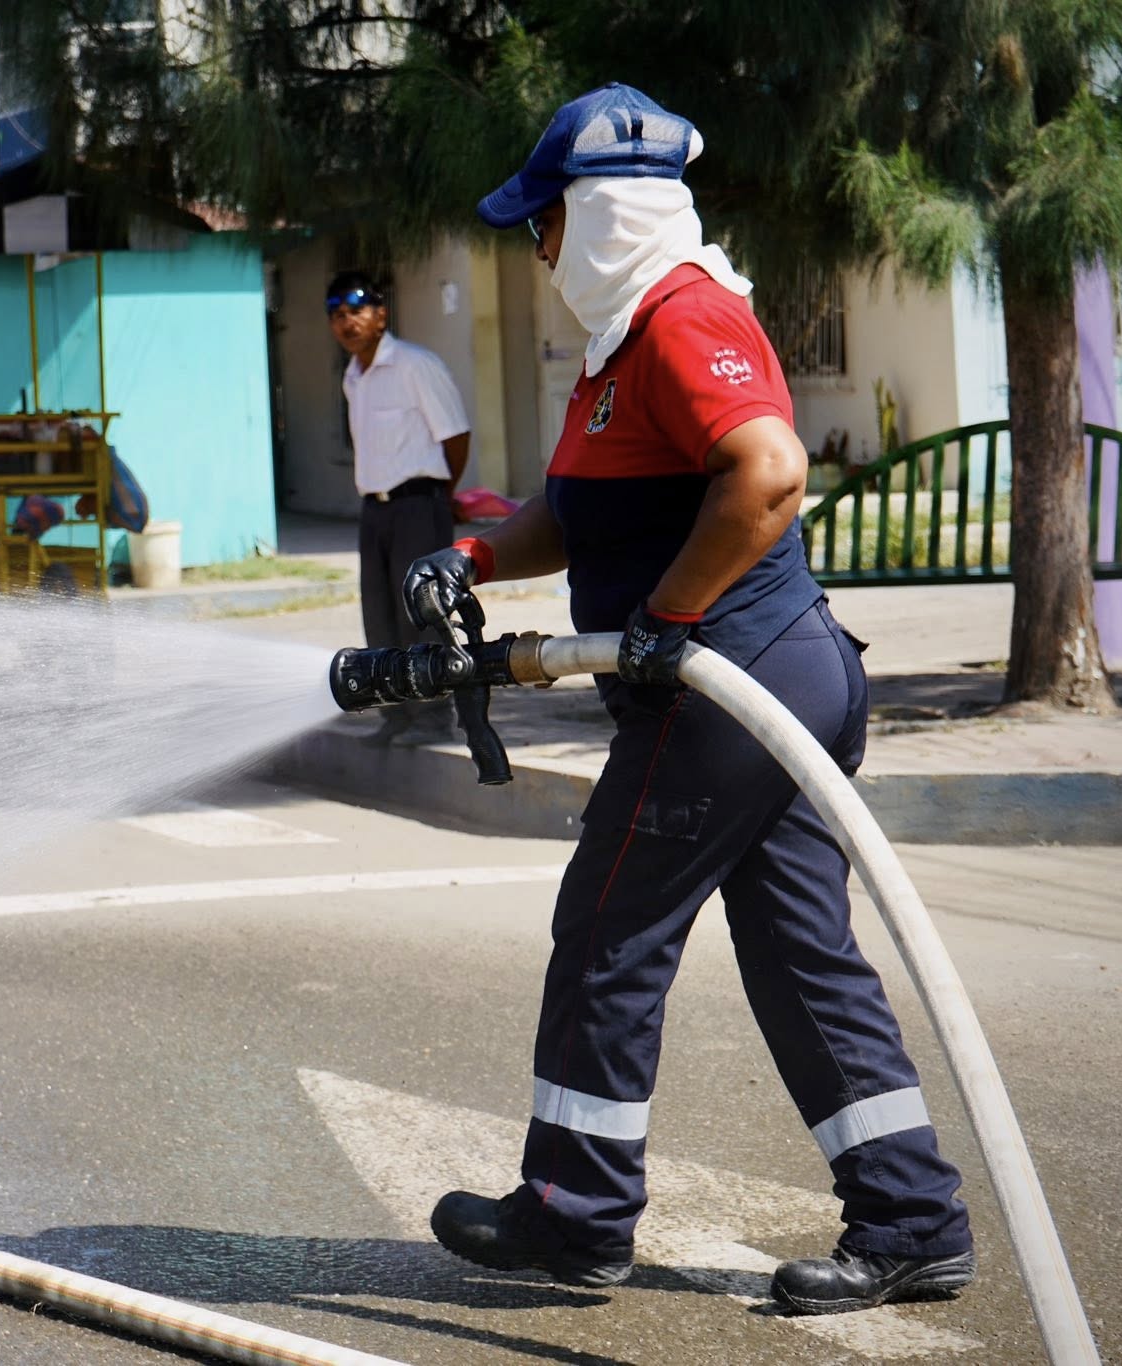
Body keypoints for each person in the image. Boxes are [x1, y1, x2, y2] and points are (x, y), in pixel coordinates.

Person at [401, 84, 974, 1316]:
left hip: (730, 682)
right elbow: (580, 507)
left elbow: (765, 472)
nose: (536, 248)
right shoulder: (622, 343)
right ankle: (911, 1220)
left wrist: (666, 618)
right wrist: (477, 554)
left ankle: (573, 1211)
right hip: (766, 682)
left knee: (607, 930)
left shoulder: (682, 317)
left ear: (599, 215)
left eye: (543, 222)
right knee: (799, 954)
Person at [329, 270, 470, 744]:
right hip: (375, 510)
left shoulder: (415, 364)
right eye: (337, 314)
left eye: (356, 310)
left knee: (421, 614)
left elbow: (456, 435)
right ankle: (396, 716)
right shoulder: (353, 376)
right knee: (380, 615)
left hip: (418, 505)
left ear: (381, 315)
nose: (347, 322)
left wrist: (441, 496)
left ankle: (432, 719)